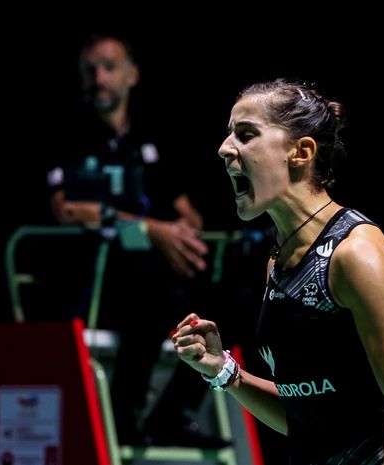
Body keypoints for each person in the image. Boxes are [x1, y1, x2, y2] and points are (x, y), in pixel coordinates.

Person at [172, 79, 384, 464]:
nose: (224, 148)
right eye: (229, 134)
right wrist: (226, 371)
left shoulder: (358, 254)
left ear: (301, 152)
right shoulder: (280, 261)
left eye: (246, 135)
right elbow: (308, 416)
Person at [47, 33, 223, 446]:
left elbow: (185, 214)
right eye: (90, 70)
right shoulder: (68, 134)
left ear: (132, 75)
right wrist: (148, 229)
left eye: (109, 67)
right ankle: (125, 418)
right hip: (82, 279)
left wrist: (181, 232)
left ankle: (171, 416)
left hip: (146, 279)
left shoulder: (149, 142)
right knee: (150, 298)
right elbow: (67, 208)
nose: (99, 77)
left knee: (221, 302)